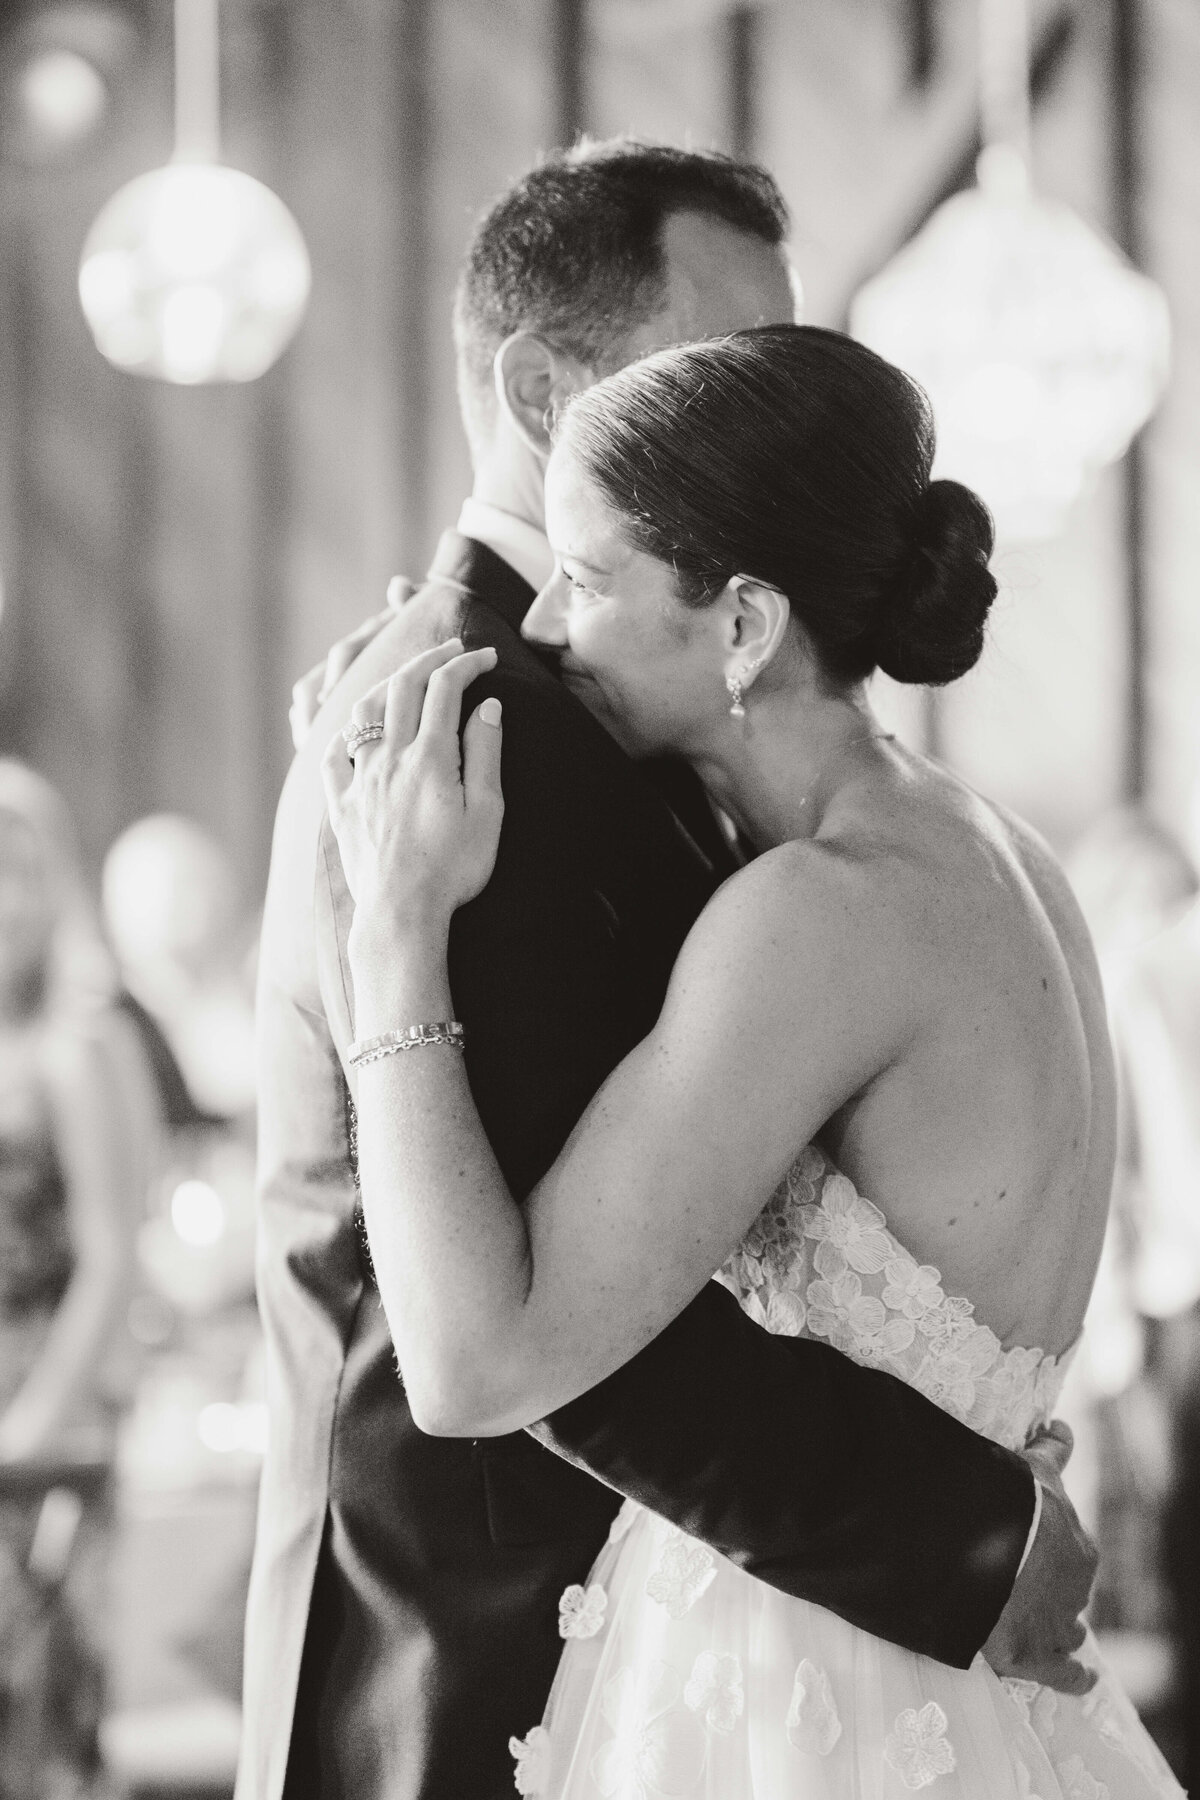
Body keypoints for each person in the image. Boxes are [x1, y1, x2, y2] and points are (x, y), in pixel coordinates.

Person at [243, 142, 1095, 1800]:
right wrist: (961, 1528)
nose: (752, 396)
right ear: (544, 386)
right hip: (473, 1633)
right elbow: (502, 1330)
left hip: (741, 1650)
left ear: (750, 622)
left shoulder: (806, 837)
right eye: (711, 355)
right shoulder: (476, 712)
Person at [0, 760, 157, 1796]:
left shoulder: (79, 1043)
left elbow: (111, 1255)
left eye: (17, 869)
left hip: (40, 1397)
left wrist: (31, 1425)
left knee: (35, 1708)